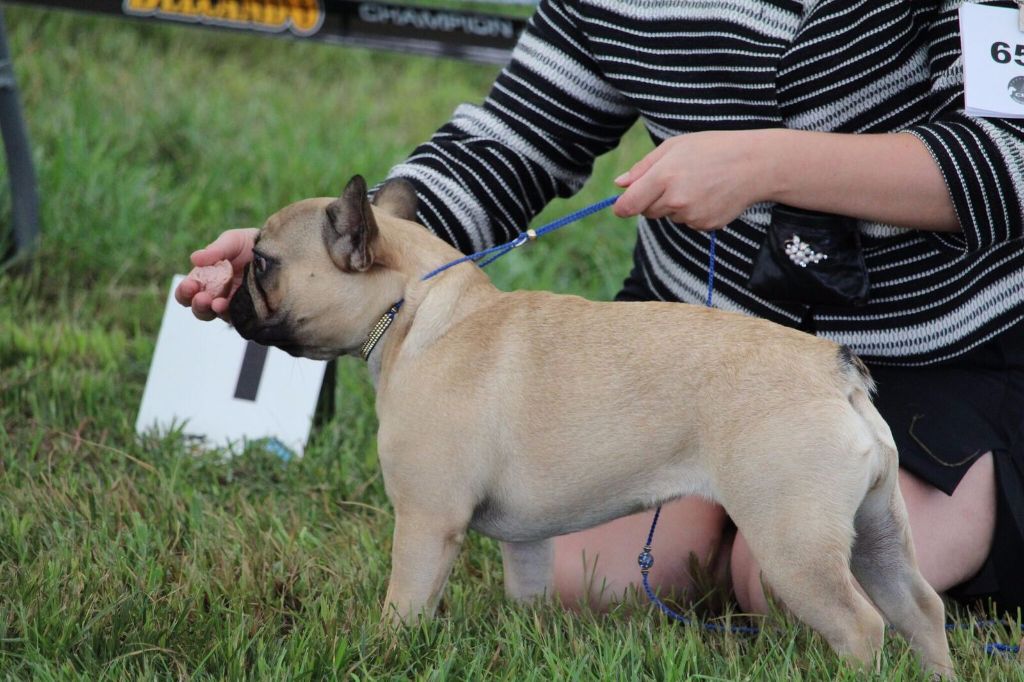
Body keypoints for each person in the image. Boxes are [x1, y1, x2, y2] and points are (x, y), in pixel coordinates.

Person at [177, 1, 1024, 617]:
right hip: (678, 348)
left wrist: (768, 164)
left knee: (784, 586)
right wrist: (316, 262)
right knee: (591, 584)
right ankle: (738, 501)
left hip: (929, 347)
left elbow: (1011, 154)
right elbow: (515, 139)